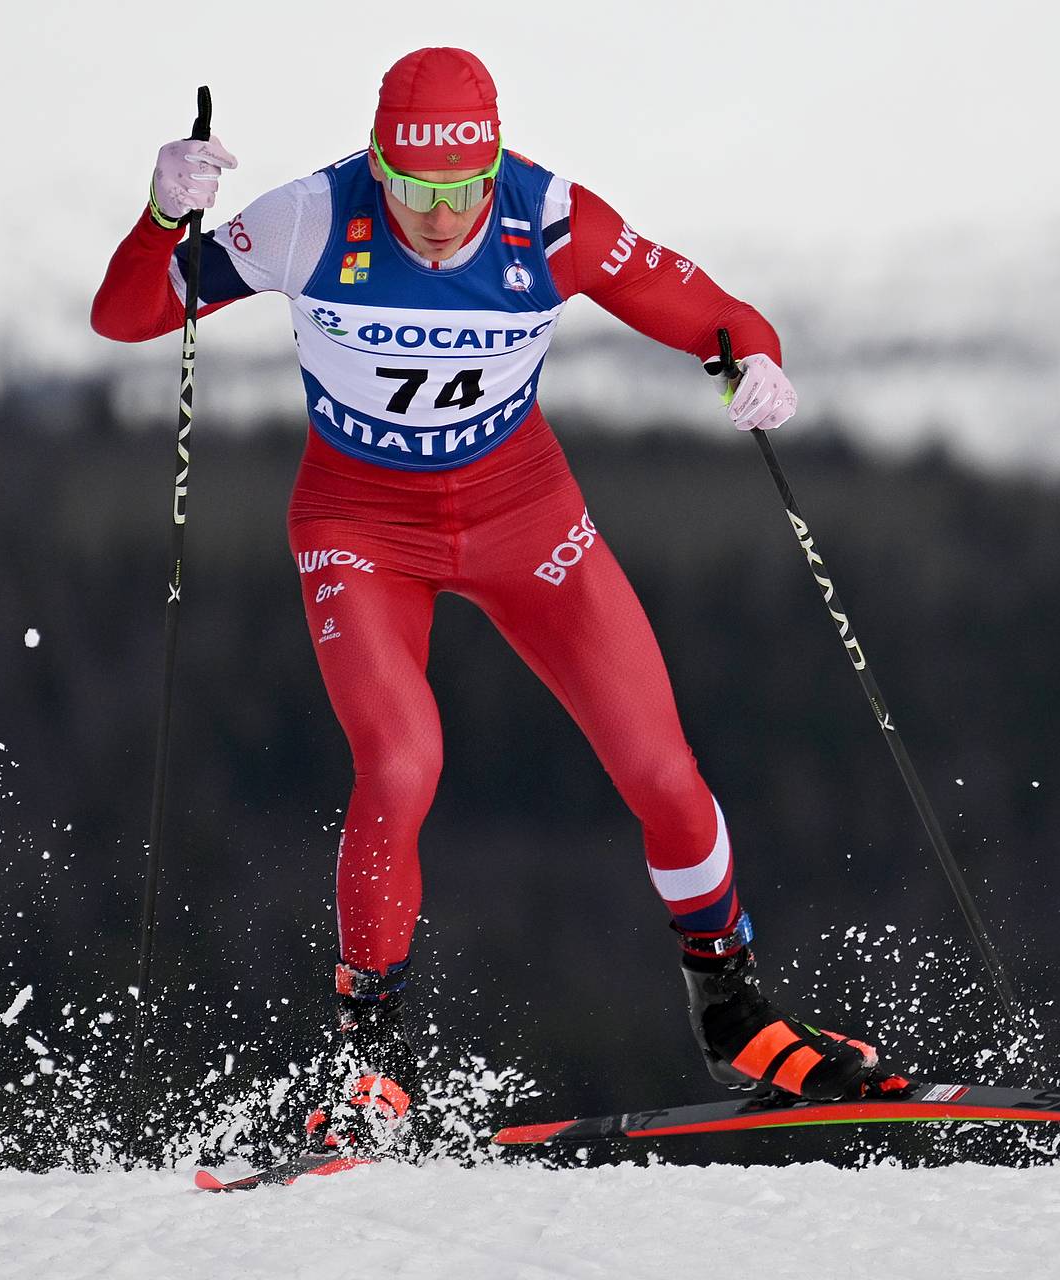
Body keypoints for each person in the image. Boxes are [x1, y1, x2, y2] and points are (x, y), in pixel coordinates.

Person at [92, 46, 880, 1148]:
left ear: (490, 167)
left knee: (662, 767)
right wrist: (158, 214)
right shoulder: (310, 217)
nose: (431, 216)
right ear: (378, 165)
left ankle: (734, 1007)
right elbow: (126, 315)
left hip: (522, 514)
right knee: (402, 759)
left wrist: (752, 361)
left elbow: (704, 307)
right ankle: (372, 1060)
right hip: (361, 526)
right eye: (409, 188)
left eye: (456, 191)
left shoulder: (550, 218)